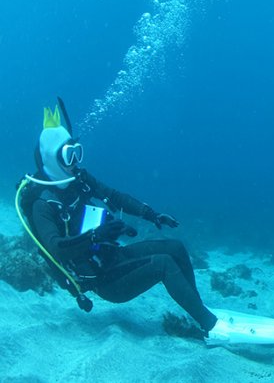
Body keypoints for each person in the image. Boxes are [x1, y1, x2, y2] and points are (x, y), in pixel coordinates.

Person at [16, 100, 221, 337]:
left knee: (175, 247)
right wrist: (94, 235)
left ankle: (197, 310)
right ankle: (212, 328)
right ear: (52, 157)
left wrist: (151, 214)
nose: (76, 162)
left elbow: (113, 196)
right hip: (105, 281)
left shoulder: (79, 180)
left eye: (77, 152)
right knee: (163, 264)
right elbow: (56, 248)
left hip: (112, 256)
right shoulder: (43, 204)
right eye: (69, 155)